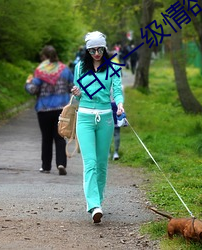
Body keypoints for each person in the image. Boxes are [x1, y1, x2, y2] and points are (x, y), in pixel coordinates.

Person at [71, 31, 124, 223]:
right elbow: (77, 97)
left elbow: (117, 91)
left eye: (99, 49)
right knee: (90, 163)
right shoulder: (80, 68)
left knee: (102, 164)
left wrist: (120, 104)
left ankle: (98, 201)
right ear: (87, 50)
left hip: (106, 119)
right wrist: (76, 92)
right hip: (84, 118)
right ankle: (93, 205)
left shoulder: (113, 68)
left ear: (104, 48)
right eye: (92, 50)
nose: (96, 53)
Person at [25, 45, 74, 175]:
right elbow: (72, 86)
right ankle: (61, 163)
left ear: (44, 57)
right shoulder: (65, 69)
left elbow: (33, 90)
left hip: (44, 109)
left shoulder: (40, 71)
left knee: (46, 138)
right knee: (60, 137)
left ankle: (46, 166)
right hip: (61, 109)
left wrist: (28, 83)